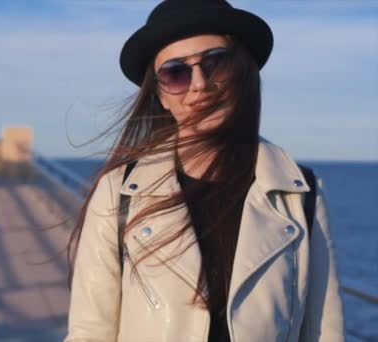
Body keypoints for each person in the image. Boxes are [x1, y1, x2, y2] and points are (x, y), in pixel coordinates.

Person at [64, 1, 345, 341]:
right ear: (160, 95)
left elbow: (323, 332)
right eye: (175, 72)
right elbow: (90, 333)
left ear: (242, 72)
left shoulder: (301, 193)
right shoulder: (119, 191)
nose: (199, 83)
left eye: (215, 63)